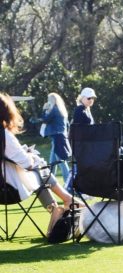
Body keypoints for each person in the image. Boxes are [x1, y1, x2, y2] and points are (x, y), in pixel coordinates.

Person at [1, 93, 74, 231]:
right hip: (7, 190)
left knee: (39, 170)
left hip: (6, 186)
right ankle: (64, 201)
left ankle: (58, 205)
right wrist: (31, 156)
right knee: (38, 168)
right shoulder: (5, 137)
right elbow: (26, 163)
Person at [39, 93, 71, 184]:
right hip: (60, 137)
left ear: (52, 100)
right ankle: (49, 181)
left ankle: (69, 183)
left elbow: (45, 119)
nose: (48, 101)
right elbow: (67, 125)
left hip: (57, 138)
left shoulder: (55, 110)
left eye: (49, 100)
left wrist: (44, 109)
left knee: (61, 162)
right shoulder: (62, 110)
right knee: (52, 162)